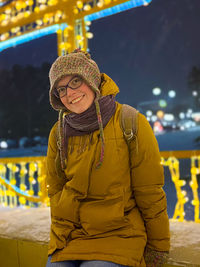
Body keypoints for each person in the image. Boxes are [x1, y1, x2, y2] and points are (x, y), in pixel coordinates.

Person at [46, 49, 170, 267]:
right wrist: (61, 231)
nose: (70, 93)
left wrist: (159, 246)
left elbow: (149, 192)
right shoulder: (58, 132)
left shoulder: (130, 122)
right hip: (72, 237)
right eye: (61, 89)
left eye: (76, 81)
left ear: (92, 80)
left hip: (119, 235)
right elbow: (55, 189)